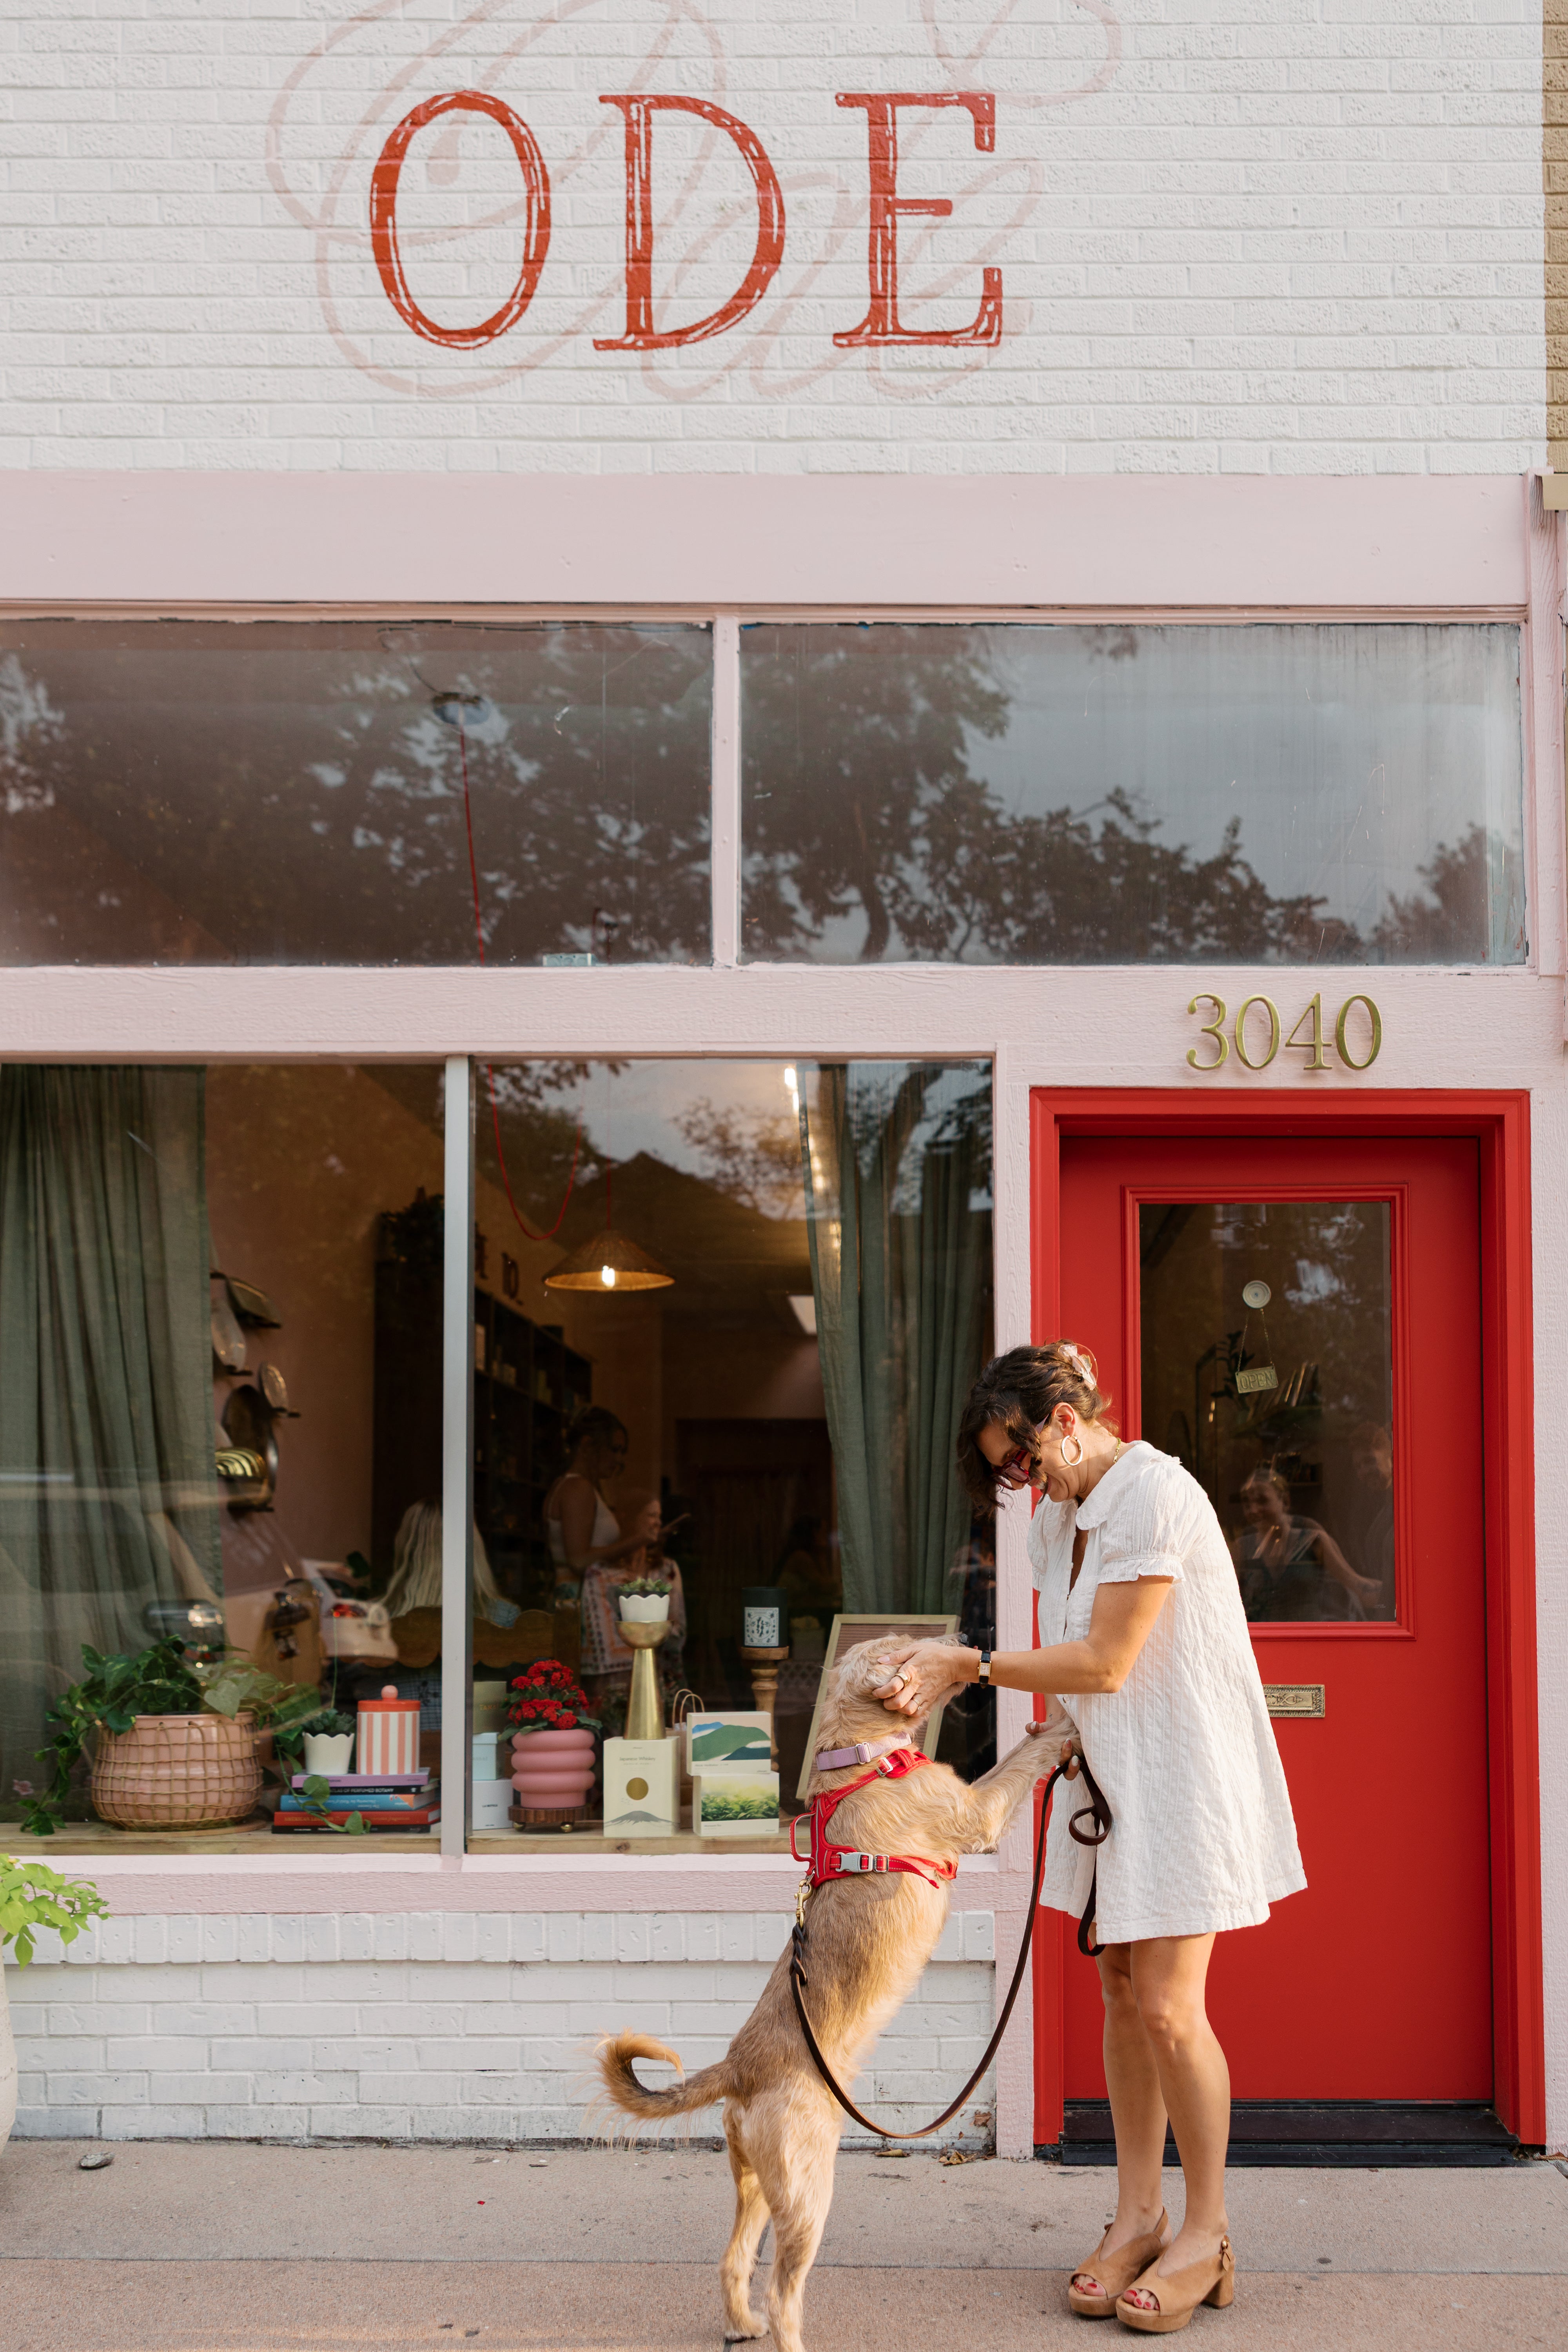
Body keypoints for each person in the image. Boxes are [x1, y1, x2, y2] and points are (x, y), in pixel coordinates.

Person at [871, 1342, 1304, 2332]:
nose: (1021, 1483)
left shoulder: (1154, 1493)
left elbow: (1108, 1659)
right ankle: (1138, 2213)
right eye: (1002, 1473)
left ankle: (1209, 2231)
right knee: (1118, 1991)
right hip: (1109, 1775)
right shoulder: (1059, 1522)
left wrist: (967, 1668)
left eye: (1022, 1459)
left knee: (1166, 2006)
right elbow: (1084, 1674)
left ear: (1065, 1417)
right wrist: (1052, 1739)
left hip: (1183, 1777)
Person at [575, 1485, 687, 1724]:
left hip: (661, 1676)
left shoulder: (667, 1570)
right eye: (650, 1515)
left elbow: (677, 1629)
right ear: (628, 1518)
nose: (657, 1523)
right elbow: (600, 1644)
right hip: (613, 1684)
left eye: (659, 1517)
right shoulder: (600, 1574)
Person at [1231, 1463, 1381, 1621]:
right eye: (1247, 1503)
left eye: (1263, 1501)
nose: (1254, 1510)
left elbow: (1357, 1586)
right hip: (1258, 1641)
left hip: (1308, 1640)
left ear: (1285, 1501)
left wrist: (1398, 1598)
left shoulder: (1312, 1541)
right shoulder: (1241, 1547)